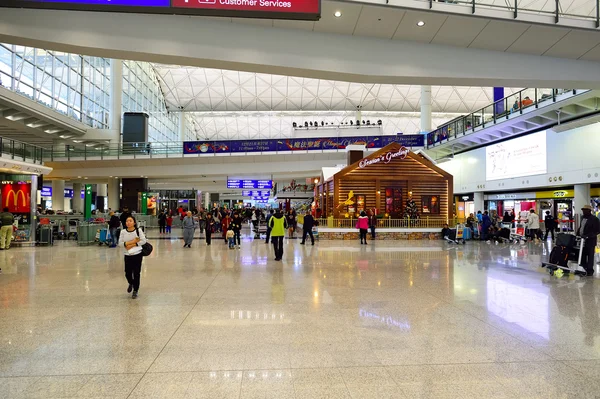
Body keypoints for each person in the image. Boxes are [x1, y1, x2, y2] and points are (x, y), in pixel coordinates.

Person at [117, 215, 147, 299]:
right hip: (127, 255)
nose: (128, 222)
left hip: (137, 254)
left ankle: (135, 290)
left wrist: (133, 244)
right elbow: (120, 243)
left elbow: (143, 240)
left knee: (136, 273)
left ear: (134, 222)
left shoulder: (138, 230)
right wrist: (132, 241)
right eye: (127, 221)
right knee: (127, 273)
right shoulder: (123, 232)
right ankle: (131, 283)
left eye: (130, 221)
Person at [578, 205, 600, 276]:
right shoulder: (582, 218)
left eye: (585, 210)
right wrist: (578, 233)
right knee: (582, 255)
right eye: (583, 210)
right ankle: (584, 268)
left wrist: (588, 236)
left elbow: (597, 230)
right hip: (581, 240)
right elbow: (581, 227)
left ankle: (590, 270)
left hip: (590, 240)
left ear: (589, 211)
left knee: (590, 256)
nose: (583, 211)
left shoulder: (594, 219)